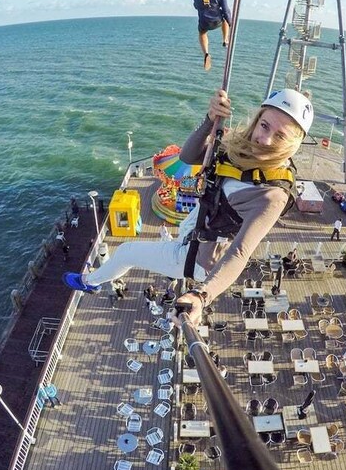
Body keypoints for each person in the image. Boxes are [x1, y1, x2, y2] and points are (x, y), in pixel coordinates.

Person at [62, 88, 314, 327]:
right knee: (140, 248)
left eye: (280, 136)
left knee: (127, 251)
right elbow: (188, 156)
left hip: (198, 258)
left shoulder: (271, 195)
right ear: (257, 119)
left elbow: (240, 252)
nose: (264, 139)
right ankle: (93, 280)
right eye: (264, 125)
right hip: (195, 231)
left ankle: (89, 281)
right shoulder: (240, 147)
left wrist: (202, 296)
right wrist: (209, 120)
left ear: (293, 144)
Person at [191, 0, 231, 71]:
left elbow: (195, 3)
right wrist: (231, 23)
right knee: (225, 19)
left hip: (204, 22)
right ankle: (225, 40)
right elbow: (226, 9)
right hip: (217, 21)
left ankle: (206, 53)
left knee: (202, 33)